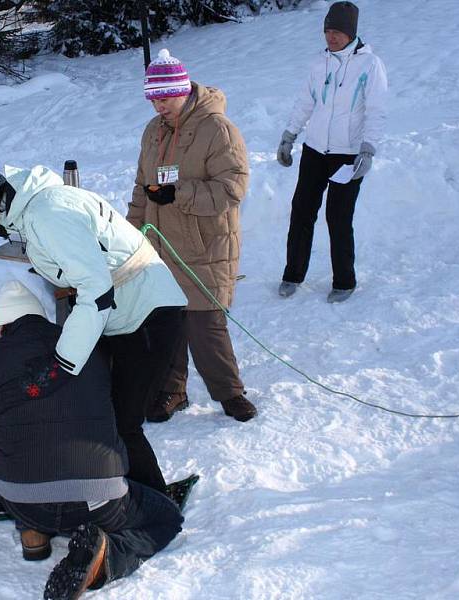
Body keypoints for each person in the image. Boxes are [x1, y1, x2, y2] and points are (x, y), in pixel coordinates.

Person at [0, 281, 184, 600]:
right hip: (100, 501)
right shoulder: (88, 348)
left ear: (1, 326)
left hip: (23, 500)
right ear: (40, 316)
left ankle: (33, 531)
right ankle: (105, 559)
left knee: (25, 452)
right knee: (166, 517)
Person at [0, 161, 187, 494]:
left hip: (147, 313)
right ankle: (102, 487)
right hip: (124, 314)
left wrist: (66, 360)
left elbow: (97, 290)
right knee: (94, 408)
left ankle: (154, 501)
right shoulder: (34, 209)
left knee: (121, 420)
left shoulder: (46, 213)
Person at [127, 48, 256, 424]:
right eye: (153, 99)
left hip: (204, 244)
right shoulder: (153, 133)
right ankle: (172, 390)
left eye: (165, 98)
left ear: (183, 91)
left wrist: (179, 194)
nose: (159, 107)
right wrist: (132, 232)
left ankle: (230, 392)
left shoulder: (217, 129)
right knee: (167, 322)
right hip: (161, 245)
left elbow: (234, 187)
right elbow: (141, 187)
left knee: (205, 325)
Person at [276, 1, 388, 303]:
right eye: (327, 31)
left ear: (351, 32)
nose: (331, 37)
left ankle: (344, 280)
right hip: (314, 150)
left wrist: (368, 149)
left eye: (337, 31)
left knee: (338, 217)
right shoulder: (318, 63)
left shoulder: (370, 65)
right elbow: (305, 102)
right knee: (301, 212)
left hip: (347, 154)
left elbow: (376, 111)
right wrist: (289, 134)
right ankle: (292, 275)